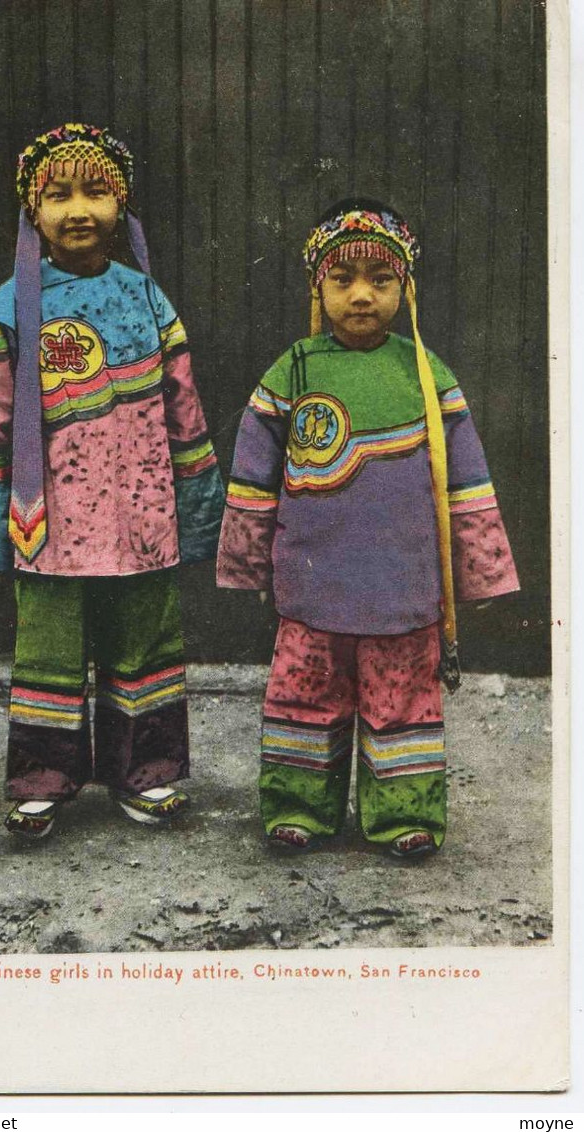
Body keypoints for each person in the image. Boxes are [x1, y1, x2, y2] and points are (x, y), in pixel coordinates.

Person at [216, 198, 519, 858]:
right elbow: (253, 474)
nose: (361, 295)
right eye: (342, 279)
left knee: (403, 704)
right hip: (313, 590)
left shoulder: (426, 374)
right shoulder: (292, 371)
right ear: (316, 287)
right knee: (304, 697)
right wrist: (247, 561)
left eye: (380, 280)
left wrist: (479, 571)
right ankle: (299, 808)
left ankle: (403, 815)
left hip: (403, 593)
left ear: (404, 288)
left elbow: (466, 481)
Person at [0, 123, 224, 838]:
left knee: (145, 646)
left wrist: (198, 515)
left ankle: (147, 775)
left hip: (141, 519)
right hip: (50, 527)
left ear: (122, 204)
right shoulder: (7, 308)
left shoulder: (148, 301)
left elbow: (184, 413)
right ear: (31, 212)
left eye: (96, 191)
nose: (79, 210)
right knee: (48, 649)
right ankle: (42, 781)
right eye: (59, 194)